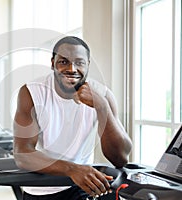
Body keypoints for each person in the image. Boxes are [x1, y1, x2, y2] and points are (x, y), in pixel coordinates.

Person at [13, 36, 132, 200]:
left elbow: (120, 158)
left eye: (79, 62)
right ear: (52, 63)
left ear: (88, 64)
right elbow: (23, 154)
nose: (72, 68)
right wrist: (72, 169)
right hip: (41, 189)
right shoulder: (32, 92)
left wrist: (102, 107)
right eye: (63, 62)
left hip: (81, 187)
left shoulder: (102, 95)